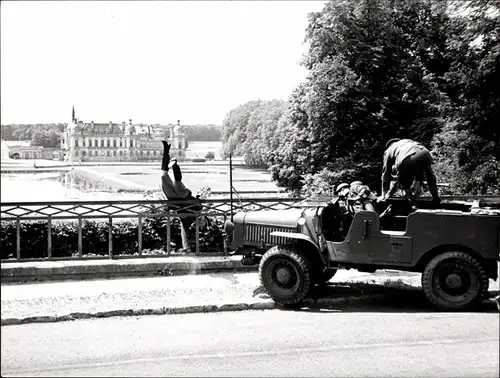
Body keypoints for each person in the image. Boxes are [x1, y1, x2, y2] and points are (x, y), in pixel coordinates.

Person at [161, 141, 201, 252]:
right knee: (171, 177)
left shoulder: (188, 218)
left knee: (170, 177)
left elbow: (197, 206)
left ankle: (169, 156)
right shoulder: (188, 217)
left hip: (180, 198)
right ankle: (169, 156)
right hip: (181, 198)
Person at [378, 138, 441, 206]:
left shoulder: (389, 150)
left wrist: (383, 194)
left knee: (403, 180)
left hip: (408, 158)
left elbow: (386, 173)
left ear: (389, 145)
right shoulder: (407, 141)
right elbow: (418, 175)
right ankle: (436, 198)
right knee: (429, 175)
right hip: (425, 153)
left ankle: (412, 201)